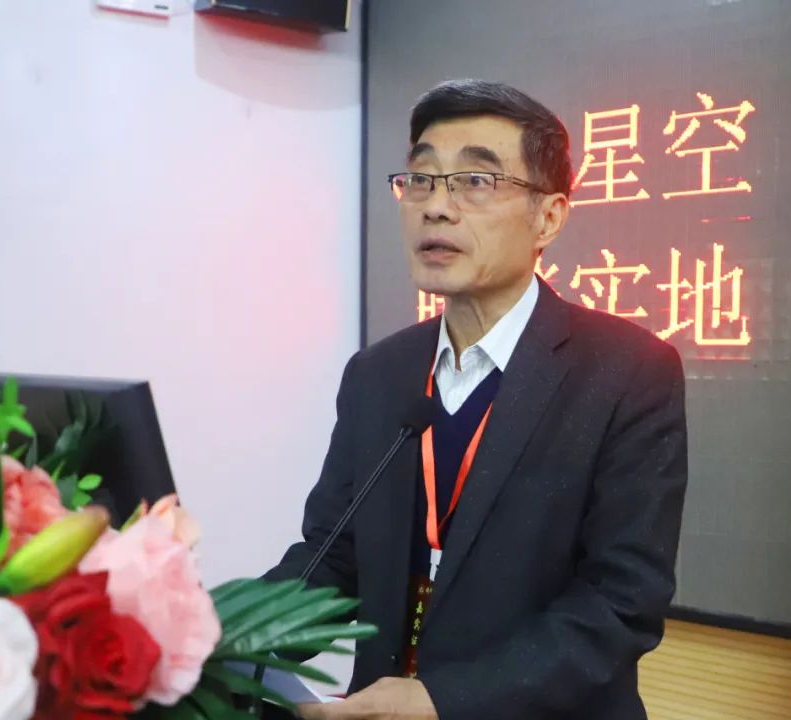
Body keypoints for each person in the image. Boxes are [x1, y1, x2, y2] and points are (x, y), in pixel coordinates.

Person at [266, 79, 688, 720]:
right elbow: (332, 555)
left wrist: (445, 701)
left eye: (475, 181)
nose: (436, 208)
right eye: (421, 179)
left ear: (549, 217)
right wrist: (214, 643)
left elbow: (621, 602)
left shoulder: (628, 371)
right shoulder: (378, 374)